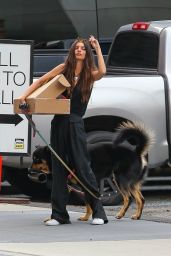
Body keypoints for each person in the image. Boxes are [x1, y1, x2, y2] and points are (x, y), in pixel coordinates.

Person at [19, 35, 108, 225]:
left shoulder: (89, 73)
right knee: (58, 168)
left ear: (87, 52)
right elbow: (40, 82)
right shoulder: (63, 69)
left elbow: (102, 71)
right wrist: (24, 98)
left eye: (83, 48)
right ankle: (59, 214)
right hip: (58, 123)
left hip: (75, 124)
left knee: (83, 167)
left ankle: (98, 213)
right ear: (72, 51)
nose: (79, 50)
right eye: (76, 48)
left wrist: (97, 47)